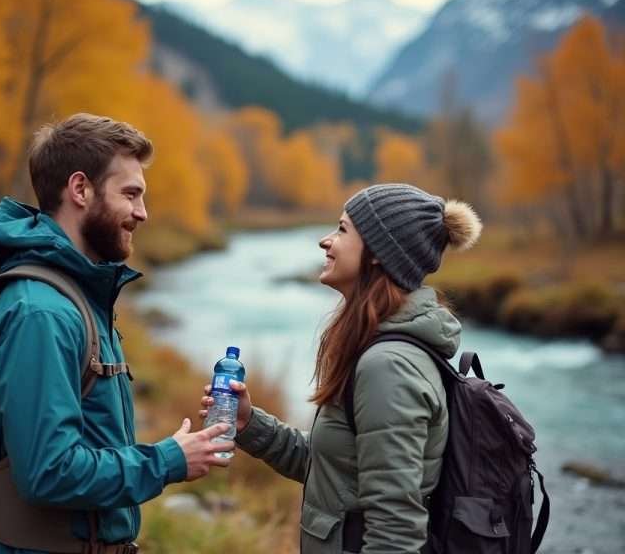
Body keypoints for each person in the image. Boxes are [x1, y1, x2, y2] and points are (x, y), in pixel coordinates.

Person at [0, 113, 233, 554]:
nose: (142, 213)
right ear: (80, 189)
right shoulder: (41, 313)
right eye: (130, 194)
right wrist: (168, 460)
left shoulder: (77, 295)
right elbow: (49, 470)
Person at [201, 183, 482, 553]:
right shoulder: (374, 348)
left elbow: (395, 531)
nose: (325, 241)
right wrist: (249, 423)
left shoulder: (389, 368)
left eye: (342, 229)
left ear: (380, 253)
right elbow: (333, 474)